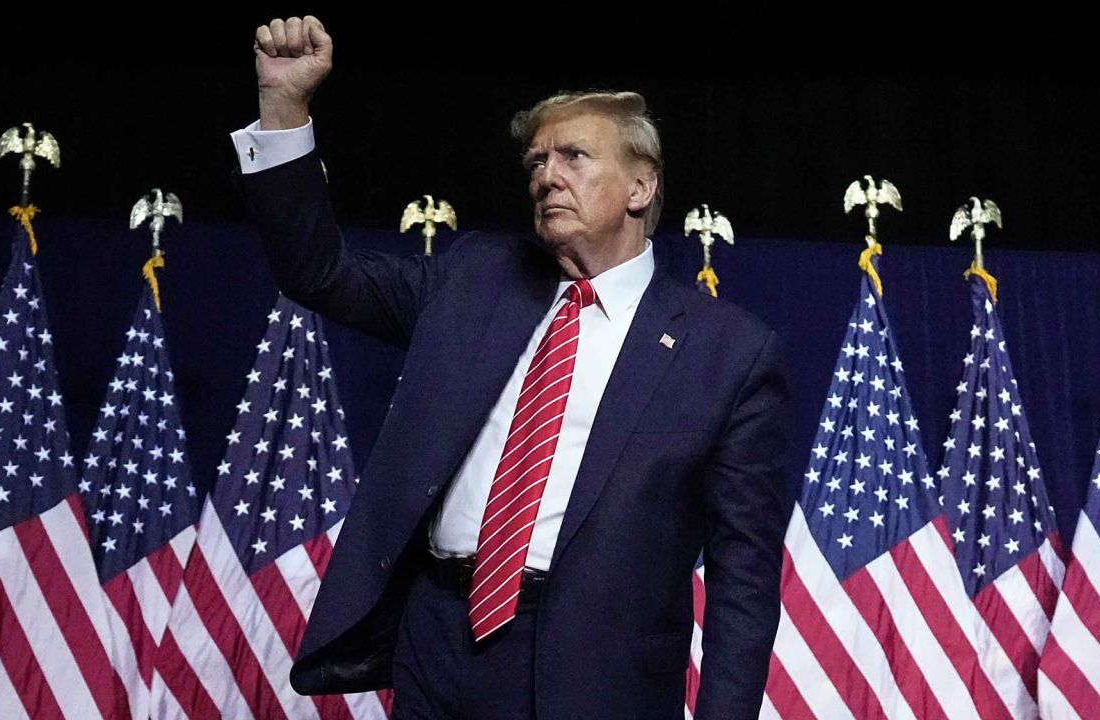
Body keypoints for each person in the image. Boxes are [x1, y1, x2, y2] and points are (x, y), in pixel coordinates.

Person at [230, 15, 791, 719]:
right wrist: (284, 109)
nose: (546, 176)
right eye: (536, 162)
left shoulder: (728, 353)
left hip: (594, 671)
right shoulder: (473, 278)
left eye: (574, 158)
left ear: (641, 188)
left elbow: (744, 577)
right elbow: (318, 273)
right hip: (436, 638)